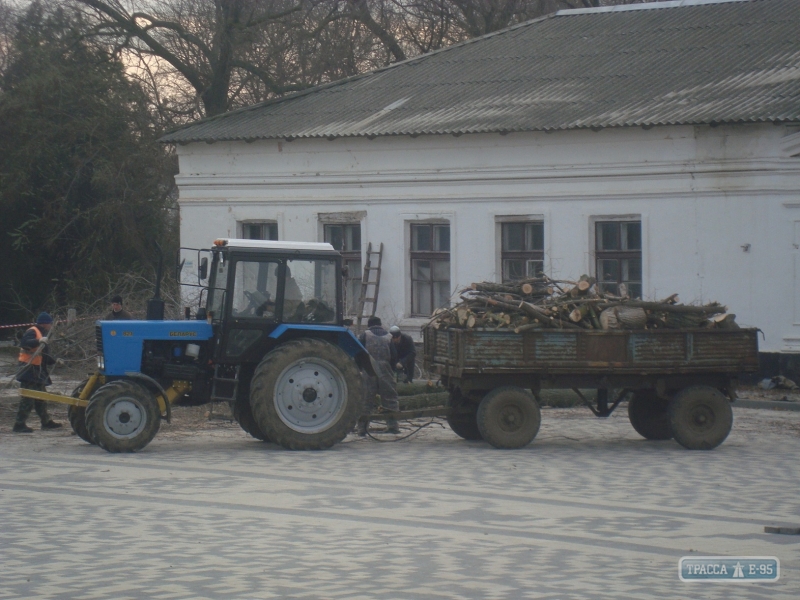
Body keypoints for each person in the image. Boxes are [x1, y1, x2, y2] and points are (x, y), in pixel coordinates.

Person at [13, 312, 62, 433]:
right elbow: (25, 343)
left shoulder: (42, 333)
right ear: (45, 323)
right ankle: (19, 424)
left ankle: (46, 422)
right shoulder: (33, 331)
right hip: (28, 369)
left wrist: (55, 361)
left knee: (41, 398)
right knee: (28, 399)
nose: (51, 326)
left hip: (37, 370)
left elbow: (43, 354)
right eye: (50, 323)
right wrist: (39, 340)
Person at [359, 316, 400, 434]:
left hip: (368, 367)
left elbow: (359, 352)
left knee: (366, 398)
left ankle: (362, 428)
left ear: (369, 325)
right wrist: (391, 370)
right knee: (390, 397)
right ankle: (393, 426)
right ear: (380, 324)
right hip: (385, 367)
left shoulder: (364, 335)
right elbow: (394, 355)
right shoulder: (389, 336)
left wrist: (360, 367)